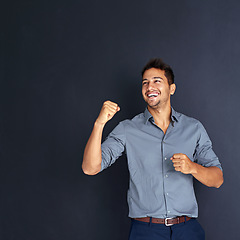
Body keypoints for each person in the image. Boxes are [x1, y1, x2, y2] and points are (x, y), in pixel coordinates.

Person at [82, 58, 223, 240]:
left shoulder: (194, 128)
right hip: (146, 232)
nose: (150, 87)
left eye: (157, 81)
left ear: (171, 88)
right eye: (145, 83)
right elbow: (90, 168)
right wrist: (99, 124)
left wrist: (192, 167)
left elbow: (217, 179)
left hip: (187, 230)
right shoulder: (127, 129)